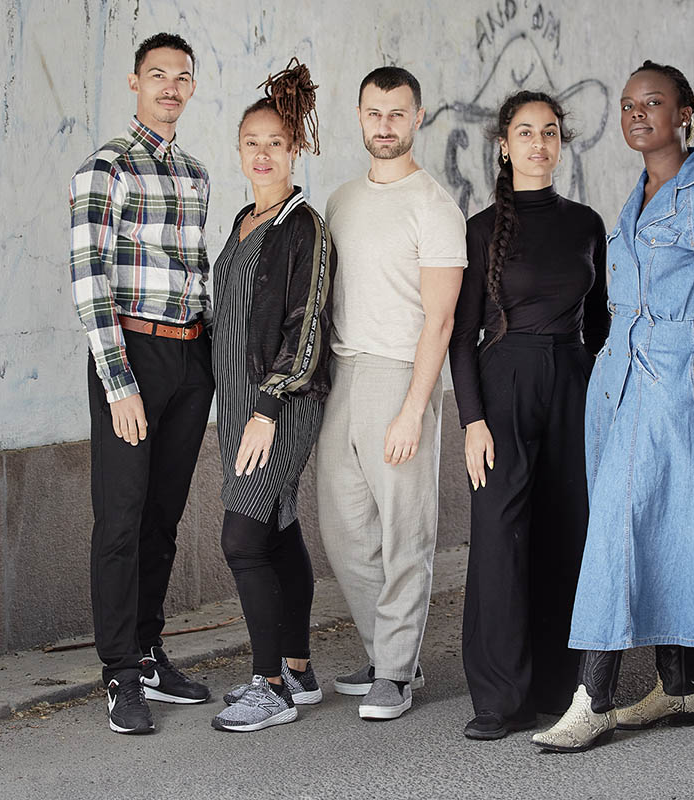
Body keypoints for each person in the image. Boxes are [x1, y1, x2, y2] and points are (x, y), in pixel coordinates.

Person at [532, 60, 694, 753]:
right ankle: (681, 685)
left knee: (616, 531)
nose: (637, 114)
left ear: (685, 111)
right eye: (629, 104)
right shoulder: (634, 194)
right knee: (659, 525)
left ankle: (592, 698)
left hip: (670, 382)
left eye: (653, 102)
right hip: (618, 385)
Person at [448, 90, 609, 740]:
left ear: (560, 142)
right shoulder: (481, 228)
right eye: (525, 132)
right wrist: (472, 421)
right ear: (504, 144)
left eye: (548, 132)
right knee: (499, 539)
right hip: (502, 386)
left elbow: (601, 325)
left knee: (567, 532)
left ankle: (558, 686)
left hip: (571, 381)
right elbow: (461, 336)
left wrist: (601, 395)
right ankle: (499, 700)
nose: (538, 143)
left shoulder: (587, 223)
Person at [69, 32, 214, 734]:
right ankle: (119, 672)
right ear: (134, 83)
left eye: (181, 77)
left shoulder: (195, 172)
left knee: (163, 518)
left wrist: (211, 360)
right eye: (156, 75)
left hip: (190, 361)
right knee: (121, 522)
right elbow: (88, 276)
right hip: (130, 357)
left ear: (191, 89)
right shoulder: (107, 167)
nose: (169, 87)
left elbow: (198, 272)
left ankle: (151, 653)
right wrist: (118, 381)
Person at [317, 66, 467, 721]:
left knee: (405, 532)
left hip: (403, 374)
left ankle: (397, 674)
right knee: (344, 529)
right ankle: (389, 653)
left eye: (397, 114)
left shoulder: (434, 207)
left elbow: (441, 319)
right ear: (359, 115)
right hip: (344, 374)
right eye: (374, 113)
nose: (385, 125)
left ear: (417, 117)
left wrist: (414, 406)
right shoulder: (342, 200)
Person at [206, 59, 336, 733]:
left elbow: (305, 325)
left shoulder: (303, 226)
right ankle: (298, 669)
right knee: (278, 530)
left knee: (242, 538)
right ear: (239, 150)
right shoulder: (242, 220)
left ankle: (268, 687)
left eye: (276, 144)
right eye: (252, 143)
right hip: (236, 408)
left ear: (295, 149)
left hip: (281, 406)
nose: (263, 154)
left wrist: (266, 407)